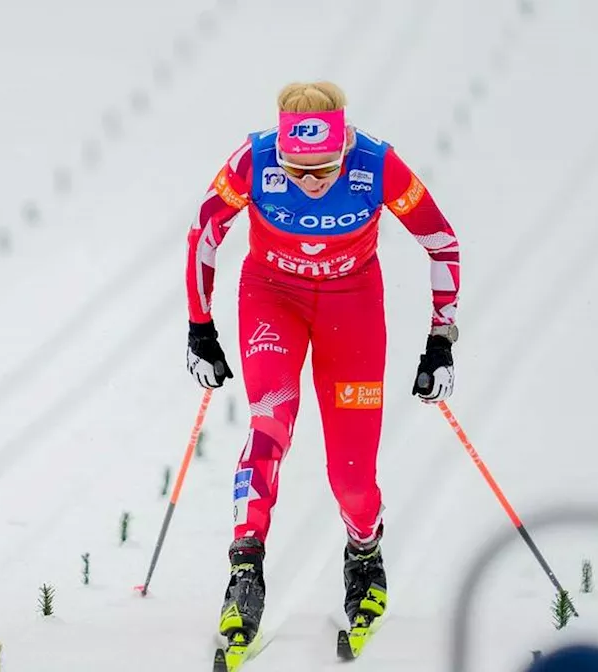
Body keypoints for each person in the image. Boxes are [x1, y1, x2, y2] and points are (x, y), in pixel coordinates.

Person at [183, 81, 460, 657]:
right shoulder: (252, 159)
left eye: (325, 170)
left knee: (352, 478)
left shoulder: (378, 164)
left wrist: (440, 340)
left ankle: (364, 551)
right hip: (272, 299)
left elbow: (440, 241)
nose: (310, 184)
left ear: (344, 149)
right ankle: (245, 571)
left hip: (352, 308)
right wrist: (200, 326)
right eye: (296, 171)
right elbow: (204, 234)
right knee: (269, 429)